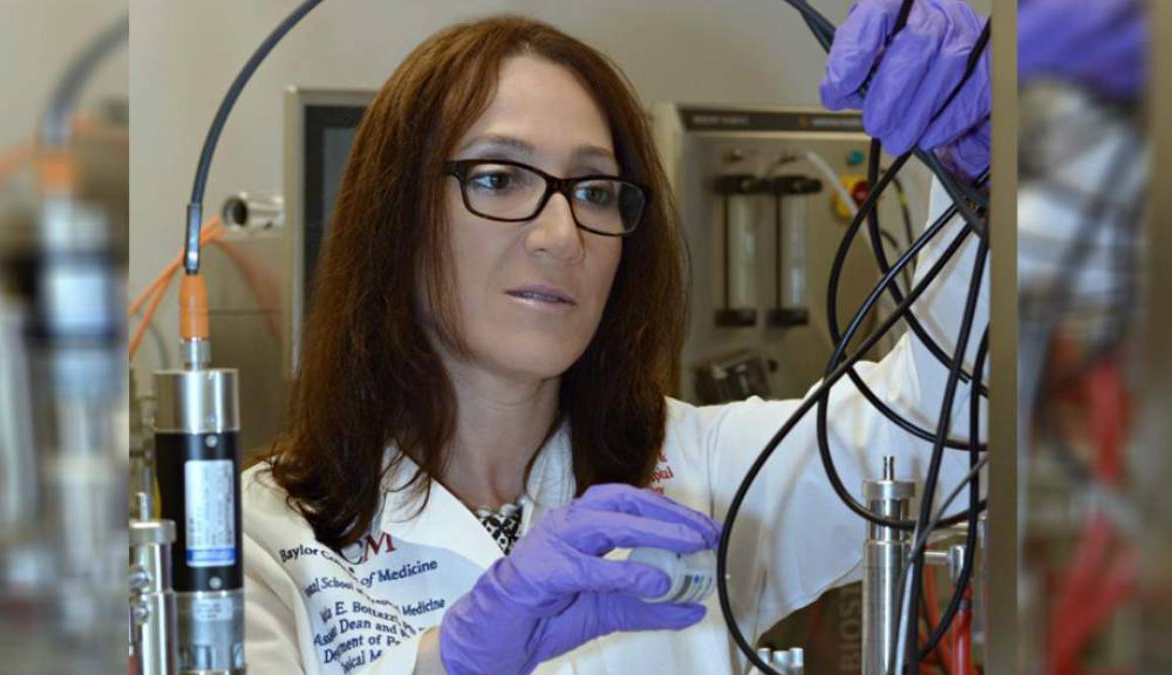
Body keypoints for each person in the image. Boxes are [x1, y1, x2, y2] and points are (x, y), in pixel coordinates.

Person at [241, 4, 990, 673]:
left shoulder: (699, 474)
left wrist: (982, 174)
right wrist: (449, 664)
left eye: (595, 191)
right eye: (499, 178)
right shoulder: (262, 535)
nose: (563, 235)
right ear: (394, 218)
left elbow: (948, 429)